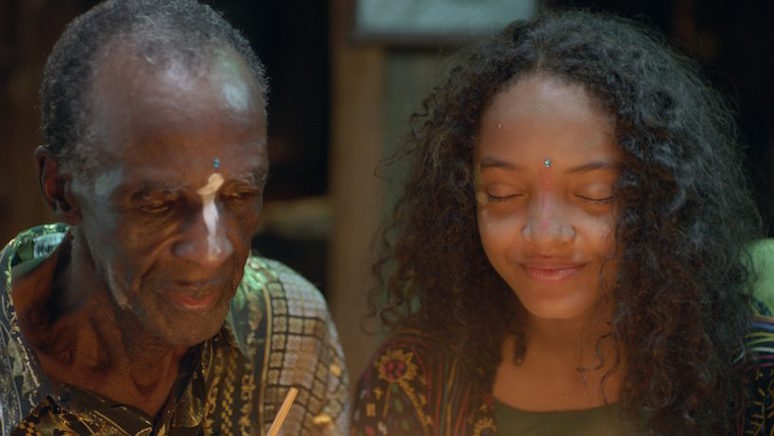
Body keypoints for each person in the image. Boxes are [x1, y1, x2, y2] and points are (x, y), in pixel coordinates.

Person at [350, 10, 774, 435]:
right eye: (503, 194)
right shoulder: (412, 379)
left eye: (594, 194)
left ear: (659, 199)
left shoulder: (752, 377)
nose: (545, 234)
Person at [0, 1, 349, 434]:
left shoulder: (286, 328)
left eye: (240, 195)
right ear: (59, 187)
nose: (212, 251)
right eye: (159, 203)